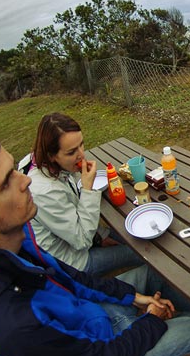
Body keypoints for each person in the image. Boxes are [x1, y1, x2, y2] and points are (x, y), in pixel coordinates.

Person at [0, 126, 190, 356]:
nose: (25, 181)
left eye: (14, 170)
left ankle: (169, 313)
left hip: (88, 316)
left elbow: (74, 279)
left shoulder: (10, 239)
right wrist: (151, 321)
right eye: (6, 182)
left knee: (153, 275)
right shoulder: (13, 326)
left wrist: (135, 298)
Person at [27, 112, 142, 276]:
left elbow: (72, 213)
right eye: (71, 152)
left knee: (132, 233)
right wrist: (87, 188)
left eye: (82, 144)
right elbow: (81, 240)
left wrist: (100, 237)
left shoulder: (50, 165)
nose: (81, 155)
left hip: (77, 236)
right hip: (73, 263)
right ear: (51, 156)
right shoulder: (44, 192)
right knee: (140, 253)